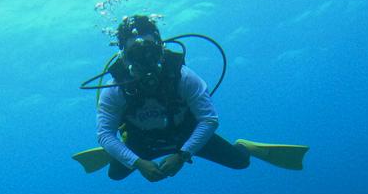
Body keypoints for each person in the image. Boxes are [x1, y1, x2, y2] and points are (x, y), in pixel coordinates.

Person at [77, 14, 307, 181]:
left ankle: (246, 147)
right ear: (125, 57)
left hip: (184, 134)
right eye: (137, 55)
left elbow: (209, 119)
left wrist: (182, 154)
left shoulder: (184, 77)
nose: (145, 62)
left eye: (149, 51)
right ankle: (120, 151)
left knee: (240, 162)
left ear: (160, 48)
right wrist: (137, 162)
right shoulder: (114, 89)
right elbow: (105, 133)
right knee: (115, 175)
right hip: (141, 141)